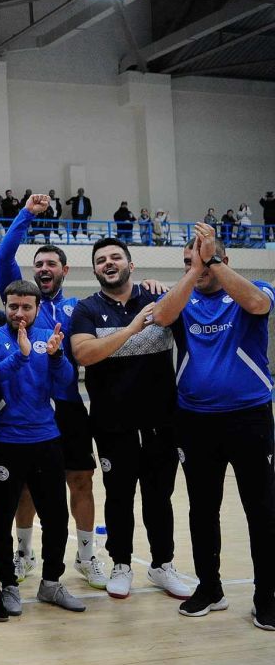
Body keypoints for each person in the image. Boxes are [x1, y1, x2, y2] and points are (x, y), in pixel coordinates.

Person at [149, 223, 275, 629]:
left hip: (249, 418)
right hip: (195, 421)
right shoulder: (182, 298)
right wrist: (194, 270)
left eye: (204, 261)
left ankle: (266, 597)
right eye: (189, 262)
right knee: (203, 509)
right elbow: (161, 316)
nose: (198, 268)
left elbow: (257, 304)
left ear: (224, 259)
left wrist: (213, 260)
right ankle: (210, 588)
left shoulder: (254, 288)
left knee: (262, 509)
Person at [69, 237, 193, 601]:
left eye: (116, 257)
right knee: (119, 496)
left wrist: (163, 293)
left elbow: (185, 314)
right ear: (95, 270)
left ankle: (162, 564)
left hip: (161, 420)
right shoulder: (87, 309)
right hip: (112, 424)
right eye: (101, 260)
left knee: (159, 496)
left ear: (131, 265)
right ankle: (121, 564)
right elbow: (84, 353)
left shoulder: (158, 299)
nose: (109, 263)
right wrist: (132, 329)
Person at [0, 193, 105, 590]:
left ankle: (87, 556)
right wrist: (25, 215)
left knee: (81, 480)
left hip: (69, 405)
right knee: (25, 485)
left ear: (64, 270)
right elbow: (4, 255)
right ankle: (24, 553)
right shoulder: (23, 301)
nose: (44, 268)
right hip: (27, 409)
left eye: (51, 264)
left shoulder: (79, 308)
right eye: (39, 264)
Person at [0, 280, 85, 618]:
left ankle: (51, 582)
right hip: (2, 441)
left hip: (46, 439)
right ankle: (8, 584)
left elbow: (65, 382)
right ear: (5, 306)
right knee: (0, 519)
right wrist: (20, 356)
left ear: (37, 308)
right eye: (13, 306)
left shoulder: (49, 336)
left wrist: (56, 357)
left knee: (56, 517)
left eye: (26, 307)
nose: (19, 313)